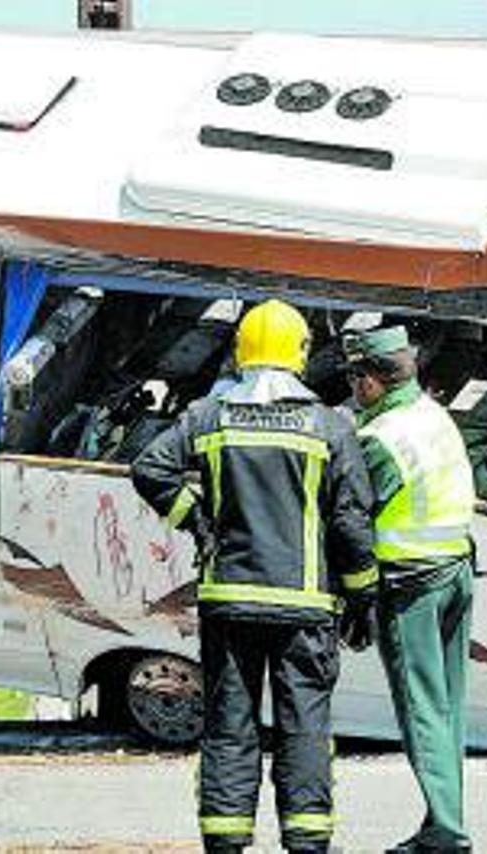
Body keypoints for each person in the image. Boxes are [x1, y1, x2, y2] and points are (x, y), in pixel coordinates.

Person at [133, 299, 378, 853]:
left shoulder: (208, 415)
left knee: (228, 728)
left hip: (230, 601)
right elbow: (350, 523)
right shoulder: (329, 427)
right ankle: (307, 842)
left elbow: (149, 467)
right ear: (301, 355)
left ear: (241, 353)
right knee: (304, 728)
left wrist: (196, 520)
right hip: (306, 607)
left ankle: (225, 843)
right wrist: (363, 598)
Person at [343, 326, 477, 853]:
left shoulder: (382, 438)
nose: (353, 387)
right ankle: (441, 822)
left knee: (422, 712)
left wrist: (350, 595)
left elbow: (352, 517)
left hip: (411, 584)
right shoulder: (431, 415)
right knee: (447, 712)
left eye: (356, 377)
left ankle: (447, 831)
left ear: (375, 379)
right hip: (455, 571)